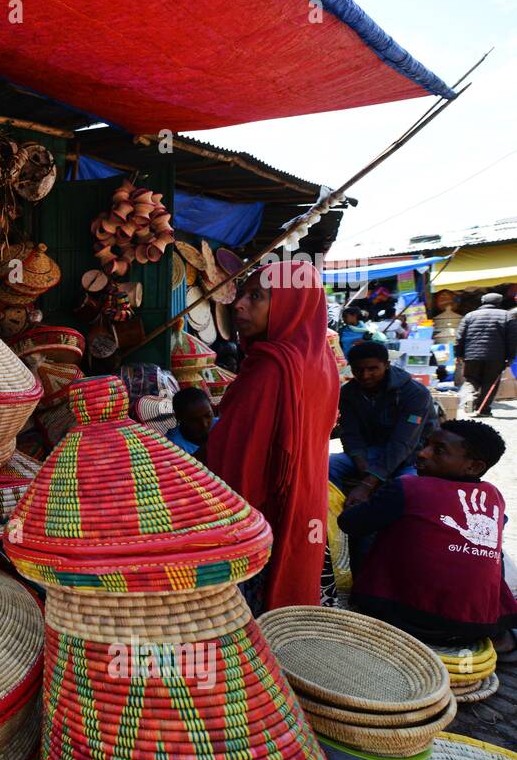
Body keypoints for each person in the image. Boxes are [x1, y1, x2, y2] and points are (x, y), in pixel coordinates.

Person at [206, 259, 339, 612]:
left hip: (259, 512)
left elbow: (240, 460)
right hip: (306, 495)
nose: (239, 304)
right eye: (244, 294)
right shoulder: (319, 359)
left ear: (289, 305)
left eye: (257, 296)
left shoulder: (271, 367)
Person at [338, 420, 517, 649]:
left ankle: (368, 597)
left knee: (374, 525)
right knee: (487, 541)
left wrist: (359, 504)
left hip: (402, 620)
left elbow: (349, 524)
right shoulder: (495, 496)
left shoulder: (408, 486)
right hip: (476, 627)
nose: (422, 453)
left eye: (439, 451)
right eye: (426, 444)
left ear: (473, 467)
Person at [329, 340, 437, 506]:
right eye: (358, 369)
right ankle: (334, 516)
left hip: (412, 454)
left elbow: (403, 443)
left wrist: (368, 482)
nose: (365, 375)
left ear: (386, 365)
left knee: (407, 488)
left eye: (372, 369)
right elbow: (350, 433)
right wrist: (360, 461)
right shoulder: (348, 393)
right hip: (373, 451)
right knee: (328, 465)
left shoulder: (414, 393)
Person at [455, 292, 517, 417]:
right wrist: (510, 357)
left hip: (471, 356)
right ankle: (483, 409)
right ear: (499, 302)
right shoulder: (508, 316)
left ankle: (469, 398)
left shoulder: (469, 316)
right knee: (490, 382)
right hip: (496, 357)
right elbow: (513, 339)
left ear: (483, 302)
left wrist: (458, 354)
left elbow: (459, 337)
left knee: (470, 380)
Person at [167, 387, 216, 456]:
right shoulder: (173, 447)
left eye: (208, 415)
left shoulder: (222, 425)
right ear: (179, 417)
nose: (204, 424)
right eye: (195, 420)